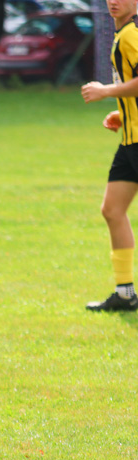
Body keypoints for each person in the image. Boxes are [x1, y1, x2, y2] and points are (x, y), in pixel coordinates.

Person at [80, 0, 138, 312]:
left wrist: (105, 91)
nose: (115, 1)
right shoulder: (123, 33)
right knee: (113, 210)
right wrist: (123, 112)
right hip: (130, 141)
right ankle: (126, 292)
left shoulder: (133, 35)